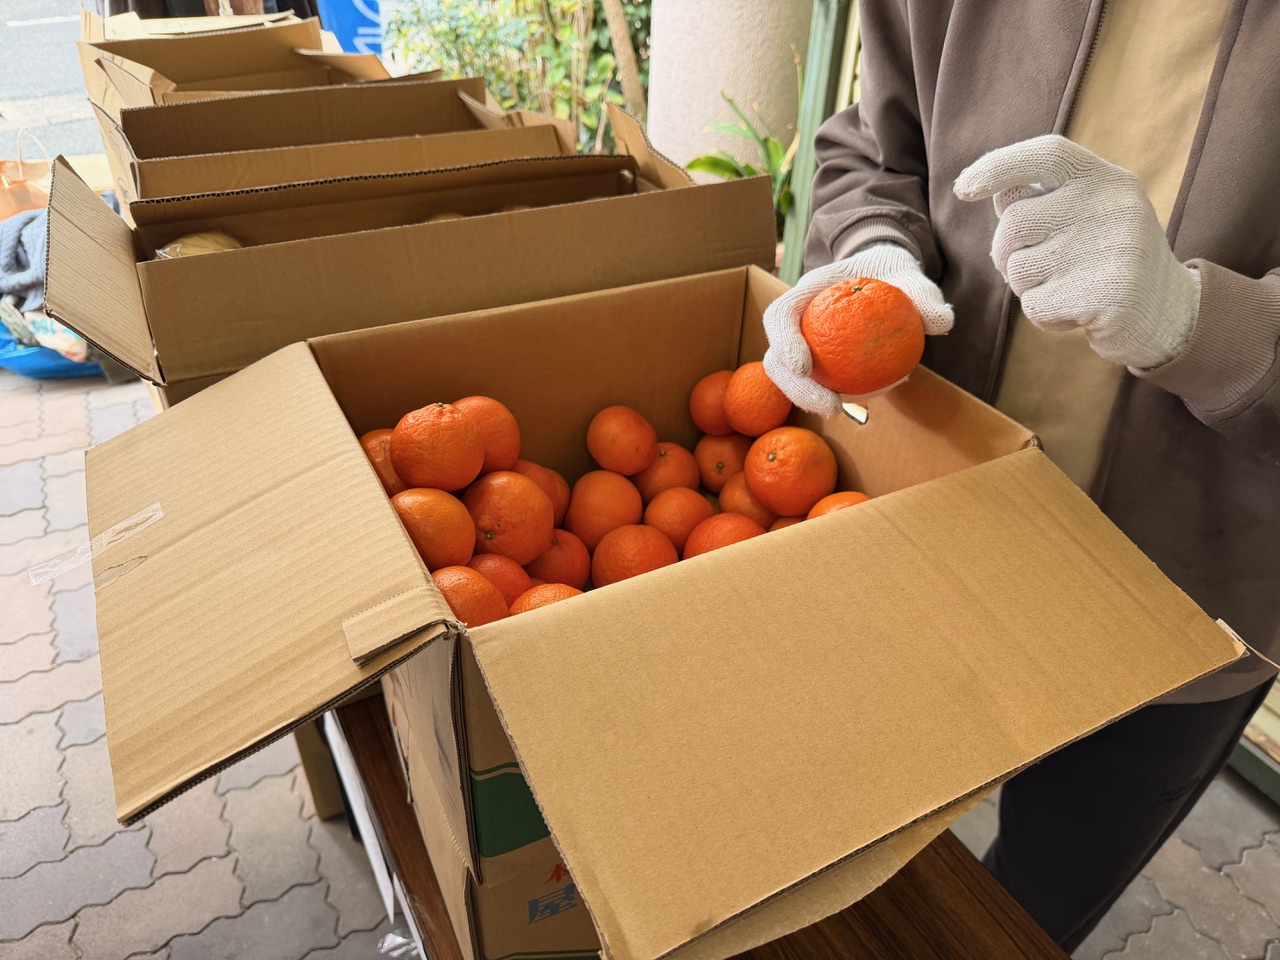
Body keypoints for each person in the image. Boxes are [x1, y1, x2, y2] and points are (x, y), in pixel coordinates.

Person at [762, 0, 1280, 951]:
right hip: (930, 519)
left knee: (1021, 915)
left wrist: (1196, 320)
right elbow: (875, 143)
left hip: (1190, 598)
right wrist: (873, 254)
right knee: (834, 855)